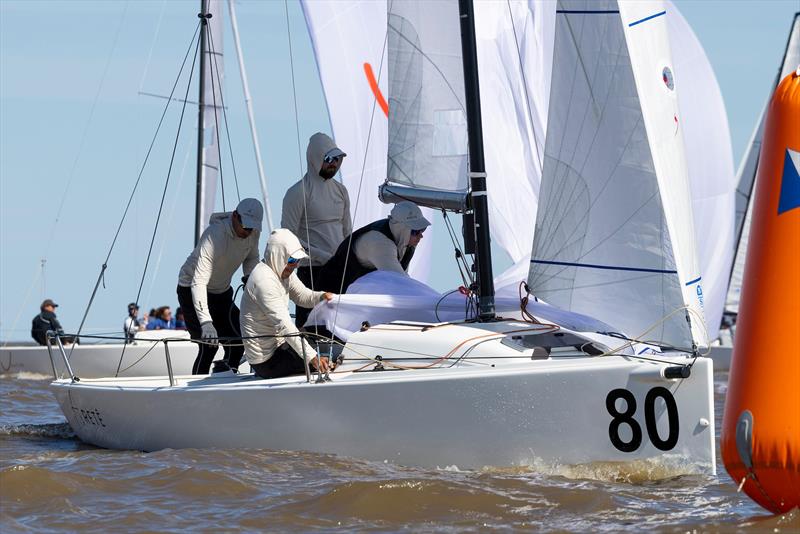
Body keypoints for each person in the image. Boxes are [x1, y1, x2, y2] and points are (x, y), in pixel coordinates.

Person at [177, 198, 263, 374]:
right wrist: (206, 322)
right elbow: (199, 281)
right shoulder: (214, 235)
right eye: (245, 227)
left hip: (222, 292)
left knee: (240, 341)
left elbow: (251, 257)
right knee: (209, 346)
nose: (247, 231)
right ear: (234, 216)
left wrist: (250, 278)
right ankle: (196, 389)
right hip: (191, 288)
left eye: (251, 228)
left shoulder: (253, 233)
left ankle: (225, 375)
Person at [240, 229, 335, 380]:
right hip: (266, 362)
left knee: (320, 339)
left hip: (280, 348)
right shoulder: (264, 281)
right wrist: (313, 358)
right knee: (319, 351)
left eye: (297, 261)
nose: (295, 265)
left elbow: (303, 296)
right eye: (291, 260)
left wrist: (323, 296)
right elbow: (285, 326)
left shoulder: (282, 270)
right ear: (278, 255)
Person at [281, 132, 351, 328]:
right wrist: (321, 256)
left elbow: (348, 232)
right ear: (316, 158)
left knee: (340, 325)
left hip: (339, 269)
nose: (334, 164)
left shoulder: (341, 191)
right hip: (311, 272)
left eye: (338, 159)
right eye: (329, 159)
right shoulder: (297, 193)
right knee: (310, 327)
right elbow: (288, 238)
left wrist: (347, 261)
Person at [320, 201, 430, 294]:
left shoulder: (406, 242)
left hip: (353, 295)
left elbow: (404, 279)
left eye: (422, 229)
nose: (421, 235)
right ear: (402, 229)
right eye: (415, 231)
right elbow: (400, 282)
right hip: (329, 293)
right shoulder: (379, 242)